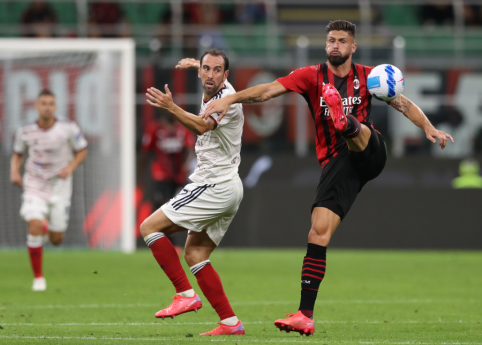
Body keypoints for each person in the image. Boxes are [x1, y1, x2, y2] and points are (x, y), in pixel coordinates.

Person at [202, 20, 454, 336]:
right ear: (326, 45)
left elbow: (402, 102)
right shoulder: (310, 76)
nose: (335, 45)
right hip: (338, 166)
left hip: (370, 150)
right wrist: (229, 98)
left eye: (342, 41)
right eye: (331, 40)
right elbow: (267, 91)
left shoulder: (369, 76)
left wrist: (428, 128)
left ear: (353, 47)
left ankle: (344, 122)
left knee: (357, 130)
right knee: (317, 233)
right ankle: (305, 315)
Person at [142, 49, 245, 336]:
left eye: (217, 70)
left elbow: (201, 126)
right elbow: (207, 76)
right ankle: (230, 323)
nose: (210, 75)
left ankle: (185, 295)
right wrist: (195, 64)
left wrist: (171, 107)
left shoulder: (226, 101)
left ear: (226, 75)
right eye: (205, 69)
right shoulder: (213, 87)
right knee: (196, 253)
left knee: (149, 227)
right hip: (229, 185)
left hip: (214, 184)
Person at [10, 89, 88, 291]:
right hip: (34, 185)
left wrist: (70, 168)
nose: (47, 107)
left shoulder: (68, 128)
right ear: (36, 106)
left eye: (50, 103)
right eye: (43, 103)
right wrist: (14, 171)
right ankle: (38, 277)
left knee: (56, 239)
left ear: (55, 106)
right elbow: (18, 154)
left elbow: (82, 150)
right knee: (33, 225)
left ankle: (48, 229)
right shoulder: (25, 130)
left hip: (59, 187)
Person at [138, 112, 195, 252]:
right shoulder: (155, 129)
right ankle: (169, 244)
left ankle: (172, 243)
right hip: (160, 175)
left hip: (178, 177)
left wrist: (187, 164)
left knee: (175, 210)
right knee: (161, 207)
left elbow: (190, 150)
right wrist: (140, 176)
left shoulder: (182, 129)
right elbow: (145, 153)